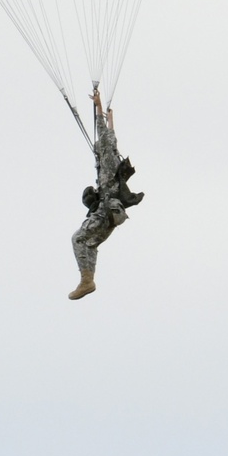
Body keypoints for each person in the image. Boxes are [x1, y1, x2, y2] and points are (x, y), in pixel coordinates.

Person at [68, 88, 144, 300]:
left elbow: (105, 135)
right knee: (90, 243)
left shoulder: (109, 159)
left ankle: (86, 280)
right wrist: (110, 117)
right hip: (112, 214)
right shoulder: (111, 158)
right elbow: (110, 135)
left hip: (106, 211)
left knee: (78, 239)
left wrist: (98, 106)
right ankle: (88, 280)